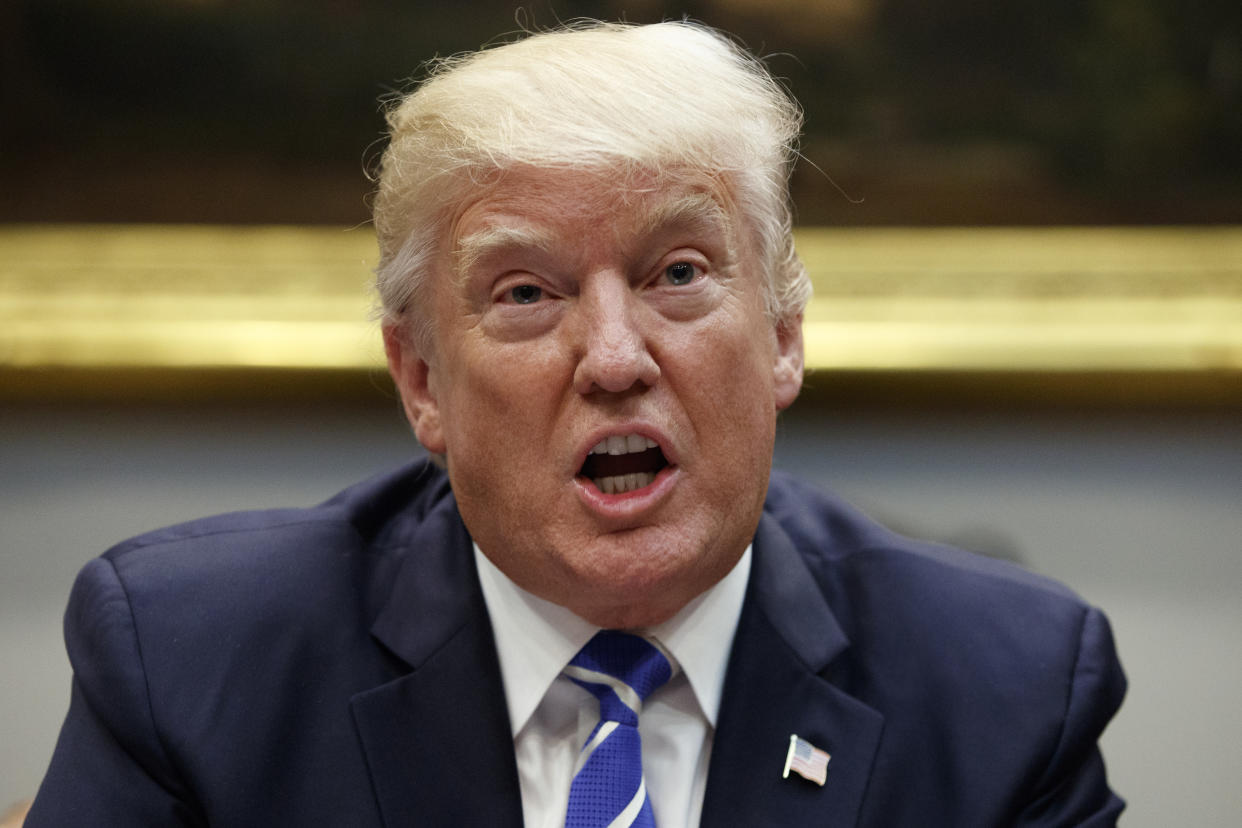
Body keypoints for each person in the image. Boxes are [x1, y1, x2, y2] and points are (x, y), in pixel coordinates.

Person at [26, 21, 1125, 827]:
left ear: (783, 334)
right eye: (524, 294)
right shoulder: (190, 666)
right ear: (421, 381)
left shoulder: (1005, 688)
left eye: (679, 272)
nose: (612, 357)